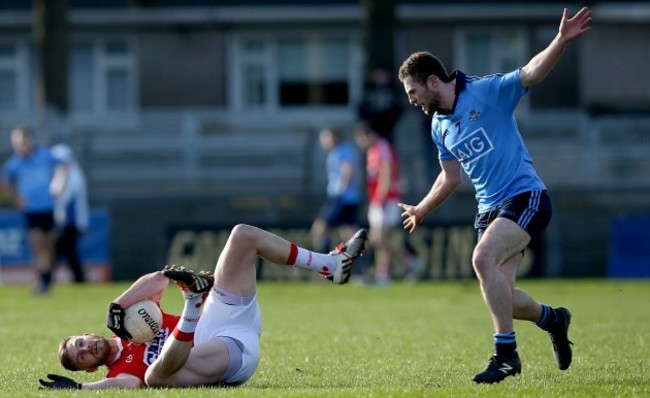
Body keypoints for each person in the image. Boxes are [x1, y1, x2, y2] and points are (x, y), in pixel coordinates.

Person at [396, 7, 591, 383]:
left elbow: (531, 72)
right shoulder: (439, 125)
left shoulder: (485, 92)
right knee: (503, 293)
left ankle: (506, 356)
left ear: (433, 81)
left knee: (482, 258)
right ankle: (554, 318)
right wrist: (421, 208)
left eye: (413, 91)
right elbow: (449, 178)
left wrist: (560, 41)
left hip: (525, 197)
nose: (411, 100)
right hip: (490, 211)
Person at [38, 224, 368, 389]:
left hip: (220, 318)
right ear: (91, 367)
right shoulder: (118, 371)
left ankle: (329, 264)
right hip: (226, 353)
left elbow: (160, 279)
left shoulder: (123, 323)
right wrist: (84, 388)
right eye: (83, 357)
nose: (87, 347)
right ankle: (192, 302)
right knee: (154, 378)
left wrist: (118, 302)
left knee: (241, 236)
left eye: (80, 342)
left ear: (85, 333)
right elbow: (130, 385)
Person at [1, 126, 68, 294]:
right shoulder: (14, 163)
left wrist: (58, 186)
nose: (20, 144)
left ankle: (47, 279)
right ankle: (43, 282)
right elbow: (5, 182)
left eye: (23, 140)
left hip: (49, 207)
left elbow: (63, 167)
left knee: (49, 247)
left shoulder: (45, 155)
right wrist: (16, 198)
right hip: (31, 210)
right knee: (37, 245)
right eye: (17, 141)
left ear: (31, 139)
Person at [354, 122, 405, 285]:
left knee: (379, 239)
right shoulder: (372, 151)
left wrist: (382, 196)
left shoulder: (382, 146)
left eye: (361, 139)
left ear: (369, 135)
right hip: (377, 198)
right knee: (378, 240)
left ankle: (406, 261)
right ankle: (382, 275)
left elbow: (386, 171)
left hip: (387, 198)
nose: (361, 144)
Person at [310, 127, 362, 255]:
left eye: (325, 138)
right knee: (349, 234)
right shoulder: (339, 151)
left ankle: (324, 264)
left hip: (341, 198)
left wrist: (341, 188)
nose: (323, 141)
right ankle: (360, 267)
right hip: (347, 198)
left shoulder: (341, 151)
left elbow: (347, 169)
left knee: (319, 229)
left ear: (335, 138)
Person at [51, 144, 89, 283]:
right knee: (67, 252)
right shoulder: (62, 174)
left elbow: (61, 197)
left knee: (63, 251)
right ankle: (77, 279)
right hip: (66, 221)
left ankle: (48, 279)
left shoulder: (74, 175)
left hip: (69, 221)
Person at [357, 66, 404, 143]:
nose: (378, 78)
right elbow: (361, 108)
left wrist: (386, 121)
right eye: (376, 75)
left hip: (388, 129)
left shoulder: (394, 91)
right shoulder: (368, 90)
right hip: (370, 129)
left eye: (381, 75)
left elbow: (398, 109)